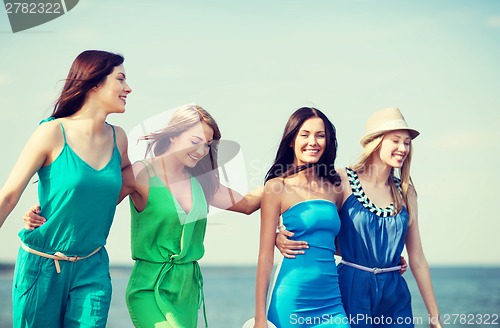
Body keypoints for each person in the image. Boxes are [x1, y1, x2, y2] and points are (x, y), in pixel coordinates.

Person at [0, 50, 132, 327]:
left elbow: (122, 186)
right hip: (42, 265)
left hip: (92, 266)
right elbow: (9, 195)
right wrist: (49, 211)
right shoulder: (51, 132)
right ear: (94, 83)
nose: (128, 88)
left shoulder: (119, 138)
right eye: (120, 79)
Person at [277, 107, 442, 328]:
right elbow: (307, 211)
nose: (403, 148)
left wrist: (435, 317)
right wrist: (277, 234)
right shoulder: (342, 180)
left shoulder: (406, 191)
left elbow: (418, 257)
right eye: (395, 140)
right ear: (376, 142)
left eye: (407, 142)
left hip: (394, 295)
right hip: (350, 289)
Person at [254, 107, 350, 328]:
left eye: (320, 135)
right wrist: (260, 318)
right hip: (292, 300)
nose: (313, 142)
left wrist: (387, 258)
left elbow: (337, 245)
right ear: (291, 140)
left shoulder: (335, 188)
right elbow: (265, 257)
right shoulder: (277, 187)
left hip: (332, 303)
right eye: (304, 134)